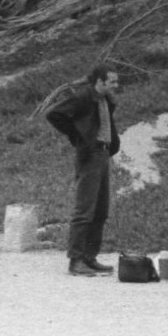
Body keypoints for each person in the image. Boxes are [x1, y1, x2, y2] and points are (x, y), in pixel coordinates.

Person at [43, 63, 121, 277]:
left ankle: (89, 257)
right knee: (84, 209)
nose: (116, 85)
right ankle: (76, 260)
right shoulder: (83, 96)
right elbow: (53, 114)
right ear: (100, 81)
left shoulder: (105, 99)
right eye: (112, 81)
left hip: (103, 154)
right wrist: (78, 137)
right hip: (89, 155)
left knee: (101, 210)